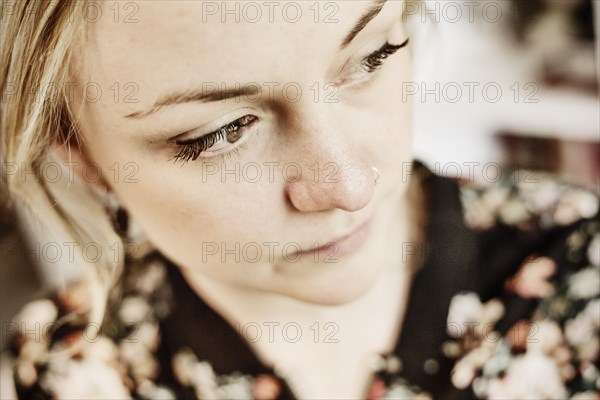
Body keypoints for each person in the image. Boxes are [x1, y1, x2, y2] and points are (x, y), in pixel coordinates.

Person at [1, 1, 598, 399]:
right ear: (80, 154)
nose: (349, 184)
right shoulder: (72, 372)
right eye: (221, 133)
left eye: (373, 56)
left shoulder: (583, 267)